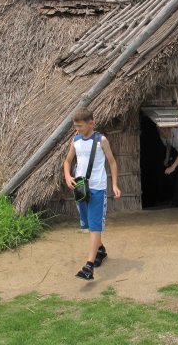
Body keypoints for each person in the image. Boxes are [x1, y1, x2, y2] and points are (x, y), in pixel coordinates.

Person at [63, 107, 121, 280]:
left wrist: (115, 185)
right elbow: (67, 161)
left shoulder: (101, 140)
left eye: (80, 126)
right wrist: (67, 176)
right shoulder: (75, 140)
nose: (77, 129)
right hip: (81, 189)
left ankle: (89, 266)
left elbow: (112, 162)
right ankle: (100, 250)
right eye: (75, 126)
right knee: (89, 224)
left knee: (95, 226)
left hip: (97, 187)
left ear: (91, 123)